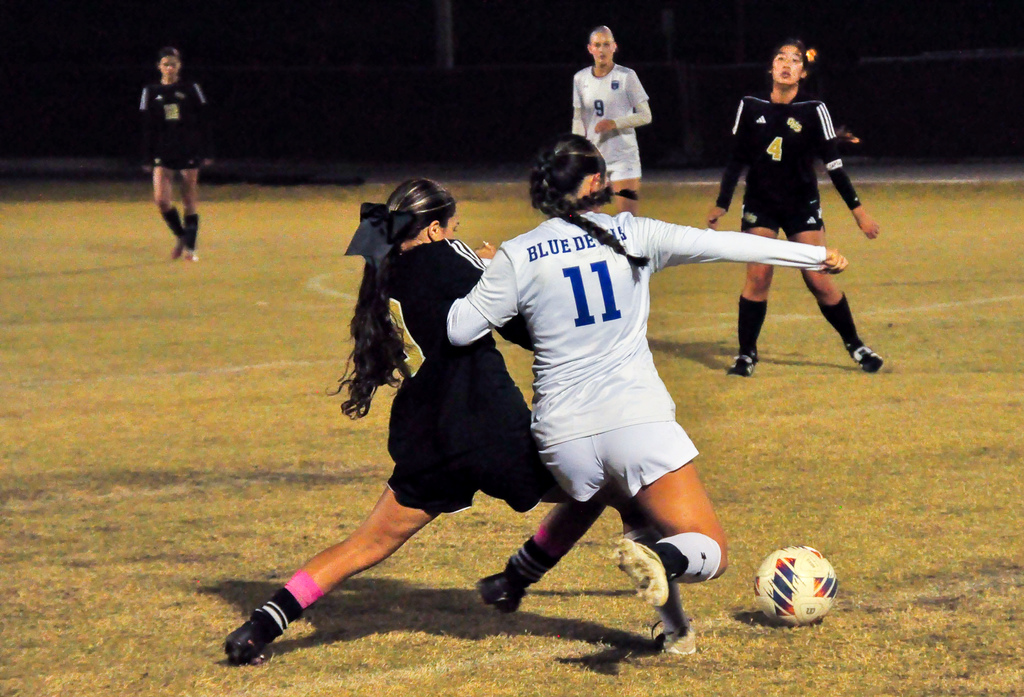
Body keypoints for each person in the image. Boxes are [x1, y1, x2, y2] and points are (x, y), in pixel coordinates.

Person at [447, 135, 848, 654]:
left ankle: (673, 632)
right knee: (709, 549)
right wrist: (810, 254)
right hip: (636, 423)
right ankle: (663, 562)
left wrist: (487, 270)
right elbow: (728, 245)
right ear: (595, 184)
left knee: (633, 510)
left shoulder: (519, 253)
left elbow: (459, 329)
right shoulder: (635, 235)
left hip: (562, 437)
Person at [224, 179, 632, 665]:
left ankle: (258, 628)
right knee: (614, 485)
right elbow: (523, 326)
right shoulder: (447, 256)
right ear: (435, 228)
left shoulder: (385, 270)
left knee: (366, 544)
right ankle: (520, 577)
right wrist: (495, 265)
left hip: (427, 433)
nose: (460, 233)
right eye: (455, 226)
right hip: (484, 424)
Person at [706, 39, 883, 377]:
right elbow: (736, 160)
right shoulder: (750, 105)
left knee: (818, 278)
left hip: (801, 205)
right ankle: (746, 355)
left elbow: (835, 167)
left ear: (803, 72)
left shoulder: (815, 109)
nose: (787, 64)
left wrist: (858, 212)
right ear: (771, 68)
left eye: (794, 60)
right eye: (780, 58)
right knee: (758, 277)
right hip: (760, 204)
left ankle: (855, 344)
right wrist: (722, 203)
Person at [140, 47, 213, 261]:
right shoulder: (150, 91)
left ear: (179, 66)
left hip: (189, 148)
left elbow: (204, 120)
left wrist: (207, 150)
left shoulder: (191, 88)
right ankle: (181, 236)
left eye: (173, 63)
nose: (169, 67)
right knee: (161, 200)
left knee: (189, 198)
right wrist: (146, 156)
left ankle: (190, 248)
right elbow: (146, 126)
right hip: (163, 150)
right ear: (159, 67)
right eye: (165, 64)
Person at [572, 26, 651, 215]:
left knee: (627, 222)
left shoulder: (626, 76)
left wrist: (615, 123)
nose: (601, 50)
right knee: (585, 219)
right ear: (590, 49)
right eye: (597, 45)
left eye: (606, 44)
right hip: (594, 158)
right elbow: (578, 118)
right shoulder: (580, 78)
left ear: (614, 47)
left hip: (623, 156)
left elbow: (646, 115)